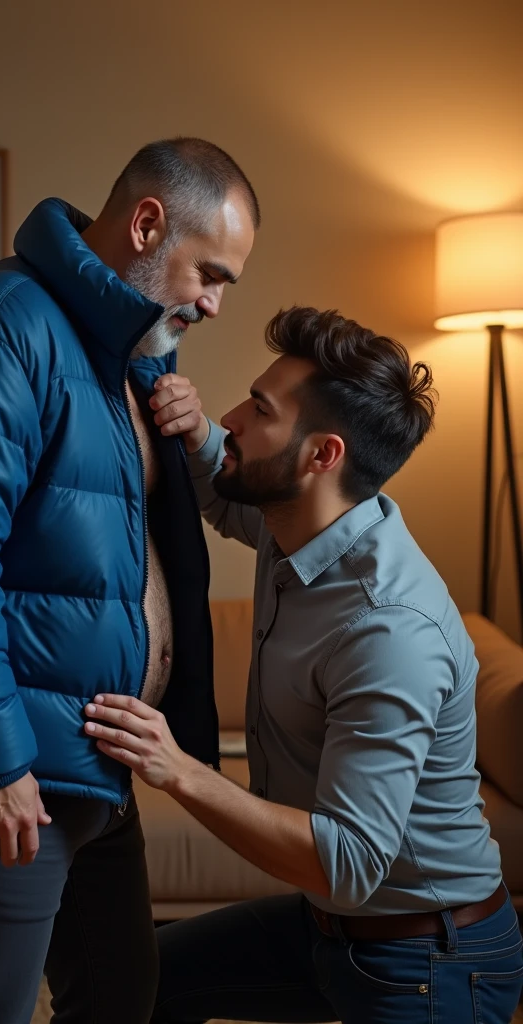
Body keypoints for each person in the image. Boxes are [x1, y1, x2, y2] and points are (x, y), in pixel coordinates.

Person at [0, 137, 257, 1024]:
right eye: (212, 272)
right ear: (147, 224)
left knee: (123, 996)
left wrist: (184, 432)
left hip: (87, 763)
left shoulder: (129, 357)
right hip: (5, 768)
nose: (216, 302)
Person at [84, 305, 523, 1024]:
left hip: (430, 961)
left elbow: (347, 865)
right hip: (328, 927)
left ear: (322, 455)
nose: (232, 415)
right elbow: (228, 503)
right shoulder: (306, 522)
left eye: (258, 410)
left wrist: (178, 768)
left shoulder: (389, 631)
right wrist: (197, 436)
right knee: (141, 983)